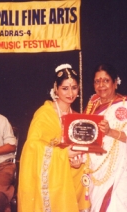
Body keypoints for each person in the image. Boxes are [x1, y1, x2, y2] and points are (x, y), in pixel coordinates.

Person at [18, 64, 90, 212]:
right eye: (65, 88)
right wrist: (63, 154)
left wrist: (77, 162)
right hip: (48, 179)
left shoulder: (77, 117)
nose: (71, 93)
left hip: (70, 176)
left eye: (74, 87)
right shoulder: (44, 114)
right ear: (56, 89)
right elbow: (31, 147)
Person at [84, 63, 127, 212]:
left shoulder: (124, 105)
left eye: (106, 80)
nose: (101, 85)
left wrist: (110, 132)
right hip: (94, 169)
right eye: (97, 81)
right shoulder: (92, 105)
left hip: (118, 171)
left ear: (115, 83)